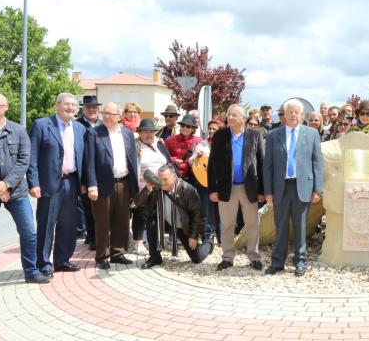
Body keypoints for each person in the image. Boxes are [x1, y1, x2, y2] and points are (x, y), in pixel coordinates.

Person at [0, 94, 50, 294]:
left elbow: (24, 161)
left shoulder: (19, 131)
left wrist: (6, 185)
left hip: (16, 192)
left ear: (6, 107)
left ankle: (31, 271)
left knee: (29, 232)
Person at [263, 99, 324, 276]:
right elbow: (268, 167)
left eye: (297, 112)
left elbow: (317, 163)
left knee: (300, 227)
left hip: (303, 187)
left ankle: (300, 262)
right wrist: (268, 192)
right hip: (281, 188)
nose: (293, 115)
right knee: (280, 226)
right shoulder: (274, 135)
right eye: (290, 112)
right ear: (284, 115)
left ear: (303, 116)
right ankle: (277, 262)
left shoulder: (312, 134)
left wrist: (317, 189)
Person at [28, 92, 86, 276]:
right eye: (67, 104)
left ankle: (62, 261)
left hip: (72, 182)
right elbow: (32, 157)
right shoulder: (42, 125)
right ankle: (43, 264)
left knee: (68, 225)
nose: (70, 108)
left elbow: (82, 158)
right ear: (57, 105)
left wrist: (84, 182)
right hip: (49, 184)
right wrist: (33, 182)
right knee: (46, 225)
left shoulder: (79, 128)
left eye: (73, 105)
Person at [208, 104, 264, 271]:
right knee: (227, 225)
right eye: (229, 115)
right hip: (227, 188)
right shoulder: (220, 136)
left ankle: (254, 256)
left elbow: (261, 164)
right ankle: (227, 257)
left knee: (253, 223)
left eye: (234, 115)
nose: (230, 118)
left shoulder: (255, 135)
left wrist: (262, 190)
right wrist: (213, 189)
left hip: (250, 188)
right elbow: (212, 164)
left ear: (243, 118)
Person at [84, 102, 139, 269]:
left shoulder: (128, 134)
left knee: (122, 221)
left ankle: (118, 253)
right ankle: (102, 257)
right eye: (104, 113)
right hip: (102, 185)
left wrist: (133, 187)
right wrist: (91, 185)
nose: (106, 116)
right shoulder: (94, 133)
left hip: (124, 183)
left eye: (110, 114)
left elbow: (132, 161)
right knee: (102, 222)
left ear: (119, 116)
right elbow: (89, 162)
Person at [135, 164, 210, 268]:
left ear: (174, 177)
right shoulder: (157, 187)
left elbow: (197, 215)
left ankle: (209, 243)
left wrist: (193, 236)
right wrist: (147, 189)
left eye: (165, 179)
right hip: (166, 223)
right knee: (151, 223)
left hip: (183, 226)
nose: (162, 182)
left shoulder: (187, 189)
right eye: (159, 179)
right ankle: (154, 257)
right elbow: (137, 202)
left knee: (197, 258)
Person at [132, 119, 172, 258]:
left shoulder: (159, 144)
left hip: (161, 186)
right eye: (145, 132)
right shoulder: (135, 146)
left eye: (151, 132)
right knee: (141, 215)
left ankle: (154, 240)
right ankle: (138, 242)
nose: (149, 135)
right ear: (140, 133)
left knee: (156, 215)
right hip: (143, 186)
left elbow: (168, 161)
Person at [76, 95, 102, 250]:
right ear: (83, 109)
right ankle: (91, 236)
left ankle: (100, 236)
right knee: (87, 207)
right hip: (84, 171)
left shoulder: (103, 124)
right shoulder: (77, 125)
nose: (92, 109)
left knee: (100, 208)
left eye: (94, 107)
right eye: (88, 107)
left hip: (101, 172)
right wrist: (82, 181)